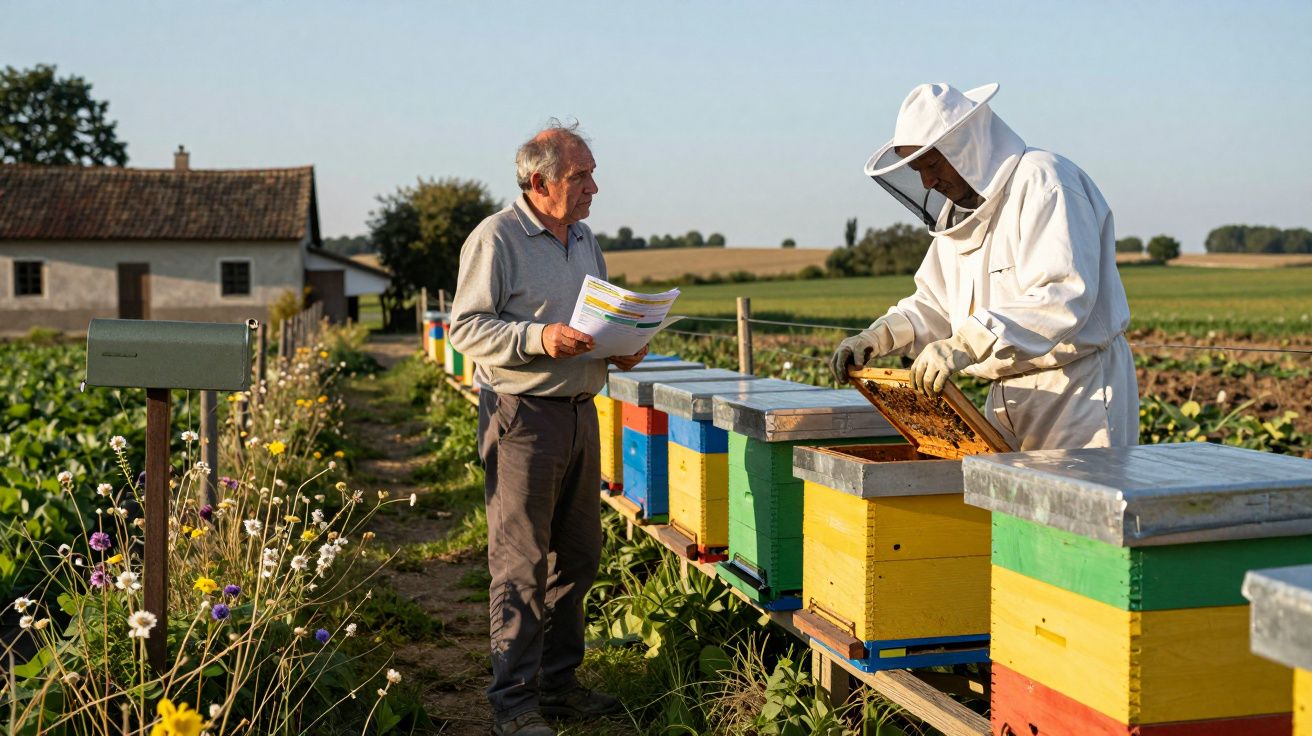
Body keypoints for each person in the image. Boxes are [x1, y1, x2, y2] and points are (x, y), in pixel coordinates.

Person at [448, 121, 645, 736]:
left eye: (592, 174)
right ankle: (512, 703)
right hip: (522, 417)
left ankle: (558, 687)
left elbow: (595, 318)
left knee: (578, 557)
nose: (593, 187)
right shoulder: (496, 237)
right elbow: (465, 329)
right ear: (539, 182)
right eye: (580, 176)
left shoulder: (584, 238)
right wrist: (539, 337)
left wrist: (619, 346)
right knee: (522, 563)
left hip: (582, 412)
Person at [830, 82, 1138, 451]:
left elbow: (1062, 296)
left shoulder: (1044, 181)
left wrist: (967, 342)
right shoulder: (959, 215)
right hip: (1005, 394)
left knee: (1074, 490)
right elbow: (933, 305)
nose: (927, 182)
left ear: (965, 147)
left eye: (932, 164)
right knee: (1003, 491)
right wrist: (877, 337)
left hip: (1076, 390)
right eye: (918, 170)